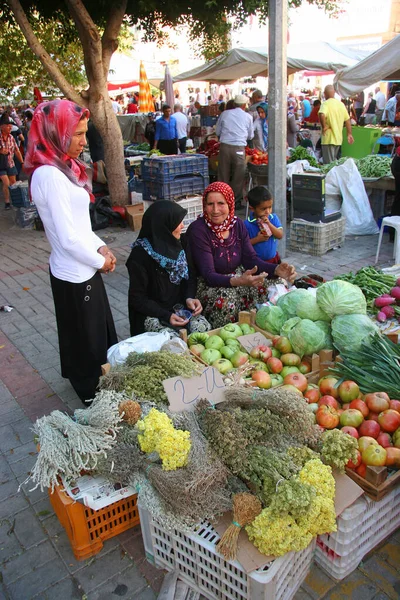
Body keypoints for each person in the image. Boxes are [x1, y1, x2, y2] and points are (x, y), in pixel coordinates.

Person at [25, 100, 117, 403]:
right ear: (55, 132)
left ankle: (90, 377)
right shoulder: (50, 175)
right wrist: (99, 261)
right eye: (76, 134)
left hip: (83, 266)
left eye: (84, 133)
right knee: (87, 341)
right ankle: (92, 395)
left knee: (87, 334)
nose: (83, 141)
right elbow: (66, 238)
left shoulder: (62, 167)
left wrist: (101, 246)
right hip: (75, 270)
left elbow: (79, 226)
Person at [186, 182, 296, 328]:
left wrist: (276, 269)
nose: (215, 210)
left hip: (239, 276)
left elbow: (251, 259)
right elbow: (208, 274)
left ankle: (257, 327)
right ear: (204, 205)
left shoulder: (237, 224)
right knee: (227, 300)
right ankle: (228, 333)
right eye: (210, 204)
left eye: (221, 203)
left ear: (230, 204)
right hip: (211, 284)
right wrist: (238, 281)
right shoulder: (198, 230)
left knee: (275, 284)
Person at [126, 201, 210, 336]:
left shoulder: (182, 243)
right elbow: (137, 298)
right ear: (163, 225)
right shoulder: (140, 255)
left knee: (203, 329)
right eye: (178, 222)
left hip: (179, 307)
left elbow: (191, 276)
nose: (182, 226)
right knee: (171, 341)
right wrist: (166, 315)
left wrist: (189, 298)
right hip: (153, 313)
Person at [215, 95, 254, 209]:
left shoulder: (225, 114)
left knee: (223, 174)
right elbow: (250, 136)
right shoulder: (248, 117)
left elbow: (218, 131)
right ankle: (235, 201)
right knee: (238, 176)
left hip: (225, 147)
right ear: (244, 105)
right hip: (239, 149)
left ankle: (221, 199)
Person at [244, 186, 283, 263]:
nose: (268, 211)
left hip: (273, 260)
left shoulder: (273, 218)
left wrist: (269, 224)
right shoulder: (247, 224)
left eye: (270, 207)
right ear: (252, 208)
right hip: (256, 262)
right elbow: (244, 245)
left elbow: (280, 235)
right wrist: (258, 239)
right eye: (263, 209)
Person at [319, 85, 354, 164]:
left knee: (329, 165)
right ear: (334, 93)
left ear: (324, 94)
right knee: (334, 163)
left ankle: (329, 176)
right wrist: (349, 134)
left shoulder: (325, 104)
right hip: (338, 139)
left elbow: (322, 114)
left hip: (328, 138)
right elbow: (348, 120)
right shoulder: (341, 104)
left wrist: (324, 126)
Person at [0, 114, 24, 210]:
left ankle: (15, 201)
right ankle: (7, 202)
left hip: (10, 163)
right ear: (2, 126)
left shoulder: (11, 137)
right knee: (6, 182)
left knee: (13, 183)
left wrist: (22, 163)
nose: (10, 127)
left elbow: (17, 151)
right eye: (8, 125)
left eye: (11, 125)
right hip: (1, 165)